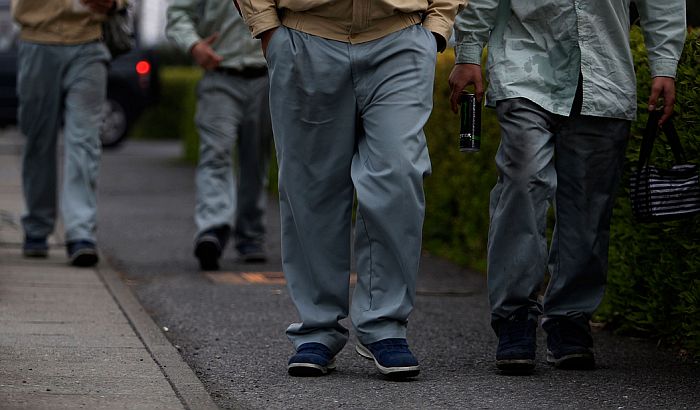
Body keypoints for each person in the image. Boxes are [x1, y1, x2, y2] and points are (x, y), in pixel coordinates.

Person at [449, 0, 686, 373]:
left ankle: (569, 319)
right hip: (524, 67)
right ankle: (515, 317)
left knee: (590, 204)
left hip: (605, 72)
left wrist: (665, 66)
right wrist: (467, 53)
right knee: (523, 181)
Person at [234, 0, 465, 378]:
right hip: (305, 35)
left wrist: (437, 27)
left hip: (400, 35)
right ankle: (317, 327)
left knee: (399, 172)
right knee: (310, 188)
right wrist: (267, 28)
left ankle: (384, 323)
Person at [13, 0, 125, 267]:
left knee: (85, 139)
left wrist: (114, 3)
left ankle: (81, 232)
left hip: (89, 42)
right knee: (38, 139)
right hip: (37, 39)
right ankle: (38, 227)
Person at [166, 0, 272, 270]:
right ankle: (212, 229)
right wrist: (194, 45)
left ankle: (251, 235)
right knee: (216, 152)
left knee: (256, 159)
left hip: (267, 75)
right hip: (220, 75)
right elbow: (178, 13)